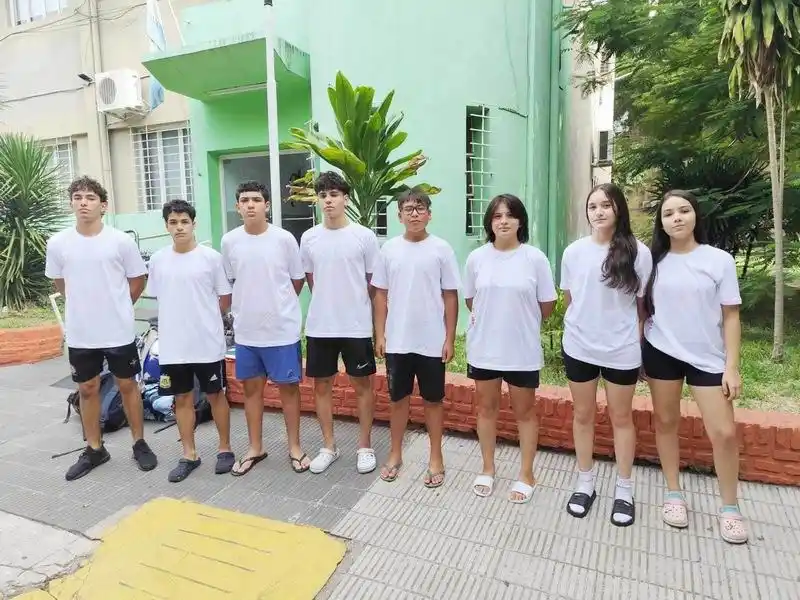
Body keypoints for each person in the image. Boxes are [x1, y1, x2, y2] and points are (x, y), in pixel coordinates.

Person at [643, 190, 747, 544]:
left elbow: (731, 315)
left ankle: (730, 508)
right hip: (661, 352)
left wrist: (731, 366)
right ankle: (673, 493)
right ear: (661, 221)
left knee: (724, 433)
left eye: (684, 211)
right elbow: (643, 309)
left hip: (708, 358)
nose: (677, 218)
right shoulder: (653, 262)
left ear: (695, 216)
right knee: (666, 423)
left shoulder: (719, 260)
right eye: (669, 213)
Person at [45, 175, 158, 480]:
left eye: (90, 197)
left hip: (117, 329)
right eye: (78, 197)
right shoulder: (58, 243)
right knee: (87, 388)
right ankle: (95, 448)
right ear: (71, 203)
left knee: (127, 385)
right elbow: (61, 283)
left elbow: (137, 280)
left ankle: (139, 442)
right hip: (82, 332)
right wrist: (84, 308)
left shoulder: (120, 241)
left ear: (103, 205)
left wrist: (119, 307)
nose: (83, 202)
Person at [560, 183, 653, 526]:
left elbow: (641, 306)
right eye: (592, 206)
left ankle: (624, 489)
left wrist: (641, 349)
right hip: (579, 346)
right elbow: (571, 299)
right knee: (582, 415)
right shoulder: (573, 252)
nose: (598, 212)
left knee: (621, 418)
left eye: (605, 206)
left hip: (622, 349)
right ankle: (585, 483)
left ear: (618, 211)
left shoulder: (638, 252)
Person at [463, 194, 557, 503]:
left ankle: (527, 473)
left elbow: (547, 305)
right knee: (486, 409)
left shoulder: (534, 258)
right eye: (497, 216)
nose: (503, 221)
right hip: (485, 349)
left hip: (522, 351)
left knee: (525, 413)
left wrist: (520, 321)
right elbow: (470, 300)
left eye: (510, 215)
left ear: (520, 221)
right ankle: (488, 468)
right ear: (490, 222)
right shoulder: (477, 258)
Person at [372, 189, 461, 487]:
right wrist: (380, 333)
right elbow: (381, 295)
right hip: (398, 340)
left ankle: (436, 458)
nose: (414, 213)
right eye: (408, 209)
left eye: (420, 208)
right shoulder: (389, 250)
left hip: (432, 341)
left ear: (429, 214)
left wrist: (449, 338)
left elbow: (450, 296)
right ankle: (395, 454)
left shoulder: (441, 249)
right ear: (399, 216)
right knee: (398, 399)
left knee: (433, 401)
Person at [221, 181, 310, 476]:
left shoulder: (284, 239)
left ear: (267, 205)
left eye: (256, 200)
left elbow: (296, 281)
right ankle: (255, 447)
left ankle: (295, 447)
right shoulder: (230, 241)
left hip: (281, 331)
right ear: (237, 206)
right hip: (247, 332)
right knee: (251, 392)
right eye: (244, 200)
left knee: (289, 391)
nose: (250, 205)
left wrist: (278, 306)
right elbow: (233, 281)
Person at [146, 200, 234, 482]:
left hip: (207, 343)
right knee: (181, 398)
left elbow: (224, 298)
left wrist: (205, 320)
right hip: (174, 346)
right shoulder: (159, 260)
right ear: (166, 226)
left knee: (215, 395)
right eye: (173, 222)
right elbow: (161, 296)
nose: (179, 227)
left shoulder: (211, 258)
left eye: (184, 221)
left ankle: (225, 449)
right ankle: (189, 454)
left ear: (194, 223)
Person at [300, 171, 381, 475]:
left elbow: (373, 282)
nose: (328, 200)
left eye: (334, 194)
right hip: (321, 326)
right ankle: (328, 447)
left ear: (345, 198)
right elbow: (311, 279)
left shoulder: (364, 236)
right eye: (323, 195)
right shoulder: (309, 238)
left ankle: (365, 447)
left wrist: (356, 303)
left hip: (356, 326)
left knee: (363, 387)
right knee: (321, 386)